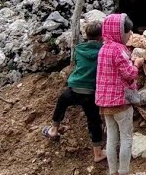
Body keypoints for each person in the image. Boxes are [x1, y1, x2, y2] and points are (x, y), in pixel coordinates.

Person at [95, 13, 146, 175]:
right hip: (120, 102)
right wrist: (137, 64)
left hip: (105, 103)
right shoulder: (119, 49)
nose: (129, 34)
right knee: (126, 138)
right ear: (118, 32)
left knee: (111, 138)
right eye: (127, 31)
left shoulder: (103, 49)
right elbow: (129, 74)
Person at [42, 20, 106, 164]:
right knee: (94, 120)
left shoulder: (78, 49)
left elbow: (78, 64)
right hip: (90, 92)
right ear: (102, 36)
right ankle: (98, 153)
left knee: (61, 102)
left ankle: (53, 130)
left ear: (86, 35)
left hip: (74, 88)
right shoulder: (103, 51)